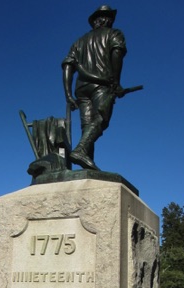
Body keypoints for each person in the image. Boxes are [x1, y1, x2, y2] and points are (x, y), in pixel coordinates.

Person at [62, 5, 127, 171]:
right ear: (105, 19)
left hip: (81, 88)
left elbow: (67, 66)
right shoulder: (114, 34)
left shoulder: (78, 42)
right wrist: (116, 83)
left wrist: (68, 95)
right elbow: (117, 54)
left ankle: (86, 166)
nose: (111, 21)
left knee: (87, 127)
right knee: (101, 119)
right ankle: (81, 150)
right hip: (102, 86)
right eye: (110, 18)